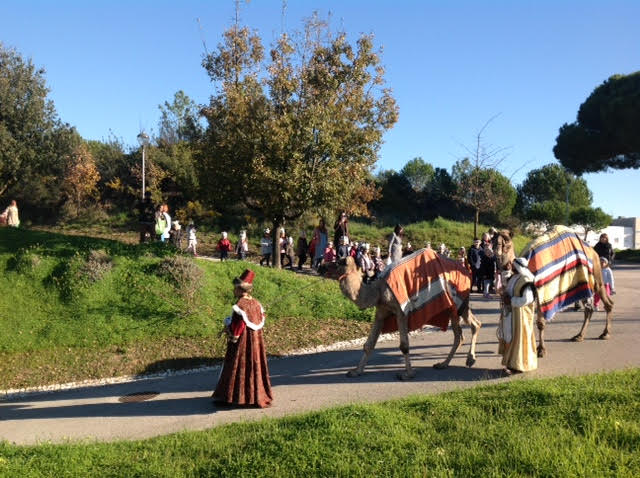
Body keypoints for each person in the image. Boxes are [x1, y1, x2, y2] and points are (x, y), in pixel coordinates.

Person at [212, 269, 273, 408]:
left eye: (235, 288)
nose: (233, 290)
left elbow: (238, 326)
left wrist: (230, 329)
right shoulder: (256, 303)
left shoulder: (240, 305)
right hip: (256, 342)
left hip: (243, 342)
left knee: (236, 365)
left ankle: (231, 397)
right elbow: (261, 317)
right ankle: (255, 396)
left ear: (240, 289)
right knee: (254, 366)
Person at [498, 257, 538, 375]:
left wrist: (510, 300)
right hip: (511, 314)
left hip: (521, 317)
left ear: (518, 267)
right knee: (509, 337)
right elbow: (507, 285)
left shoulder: (526, 280)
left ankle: (518, 366)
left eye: (513, 266)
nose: (512, 267)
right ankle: (510, 363)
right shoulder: (514, 277)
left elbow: (527, 299)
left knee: (518, 339)